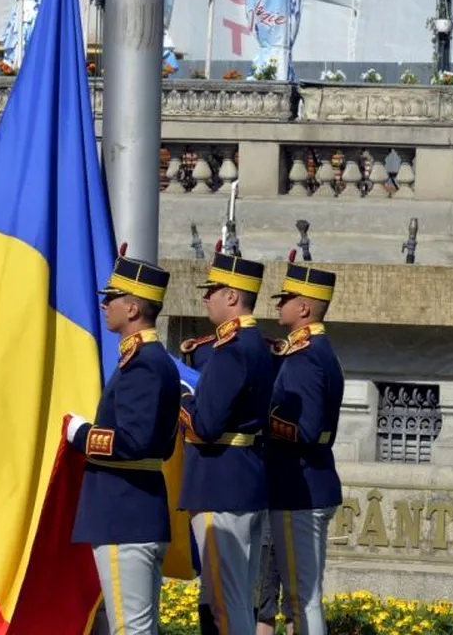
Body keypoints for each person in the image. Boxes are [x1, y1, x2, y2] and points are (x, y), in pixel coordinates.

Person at [66, 250, 181, 635]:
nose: (104, 305)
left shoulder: (144, 362)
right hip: (136, 511)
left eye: (112, 298)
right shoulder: (148, 360)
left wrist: (79, 434)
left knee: (130, 629)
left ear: (132, 308)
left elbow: (134, 441)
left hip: (123, 515)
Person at [178, 253, 276, 635]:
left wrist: (181, 395)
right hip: (241, 477)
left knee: (225, 602)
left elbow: (205, 424)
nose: (207, 298)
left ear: (233, 297)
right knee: (229, 597)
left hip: (220, 484)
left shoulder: (232, 349)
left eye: (213, 291)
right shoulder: (255, 345)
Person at [265, 263, 344, 635]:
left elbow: (306, 430)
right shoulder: (317, 349)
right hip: (309, 482)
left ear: (305, 308)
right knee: (303, 595)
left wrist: (257, 419)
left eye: (287, 299)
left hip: (301, 487)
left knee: (303, 597)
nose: (279, 304)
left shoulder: (306, 355)